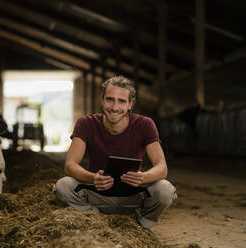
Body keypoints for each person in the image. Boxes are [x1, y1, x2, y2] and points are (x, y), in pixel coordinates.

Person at [53, 75, 177, 229]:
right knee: (63, 186)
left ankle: (139, 225)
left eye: (122, 101)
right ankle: (94, 219)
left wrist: (143, 177)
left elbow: (162, 167)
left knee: (165, 189)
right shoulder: (86, 123)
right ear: (102, 100)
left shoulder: (145, 124)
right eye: (110, 99)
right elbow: (70, 165)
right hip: (97, 194)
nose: (114, 107)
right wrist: (93, 178)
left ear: (130, 104)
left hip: (133, 196)